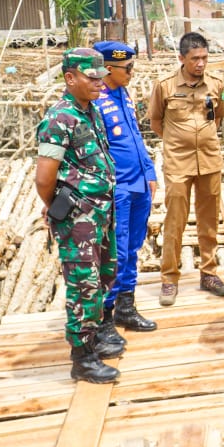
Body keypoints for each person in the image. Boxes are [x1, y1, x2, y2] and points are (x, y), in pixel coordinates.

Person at [34, 49, 123, 385]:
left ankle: (96, 337)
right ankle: (82, 358)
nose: (100, 82)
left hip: (100, 213)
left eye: (102, 76)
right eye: (92, 77)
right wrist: (62, 208)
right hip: (79, 218)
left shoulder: (91, 112)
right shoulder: (59, 119)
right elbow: (45, 179)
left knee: (102, 276)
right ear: (70, 78)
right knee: (83, 285)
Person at [147, 32, 224, 305]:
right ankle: (169, 279)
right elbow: (156, 122)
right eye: (195, 58)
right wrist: (178, 141)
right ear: (181, 58)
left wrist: (201, 137)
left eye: (205, 58)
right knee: (175, 222)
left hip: (209, 161)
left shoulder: (217, 84)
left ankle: (209, 273)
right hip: (178, 164)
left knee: (209, 222)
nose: (200, 63)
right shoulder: (165, 86)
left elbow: (219, 116)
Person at [92, 41, 158, 345]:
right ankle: (105, 316)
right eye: (127, 68)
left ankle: (126, 307)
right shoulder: (95, 100)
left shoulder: (124, 94)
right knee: (114, 252)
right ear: (108, 68)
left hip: (138, 185)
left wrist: (150, 173)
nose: (132, 72)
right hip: (117, 188)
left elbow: (134, 136)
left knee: (133, 246)